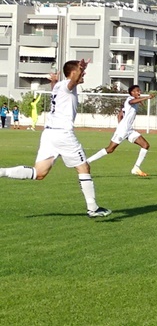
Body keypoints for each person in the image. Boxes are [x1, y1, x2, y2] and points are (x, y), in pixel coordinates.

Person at [0, 60, 111, 218]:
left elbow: (61, 88)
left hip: (49, 134)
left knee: (39, 173)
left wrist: (53, 81)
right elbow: (72, 81)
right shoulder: (67, 85)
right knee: (83, 168)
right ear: (73, 73)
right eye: (81, 72)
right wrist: (81, 68)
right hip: (63, 134)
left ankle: (2, 171)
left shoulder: (58, 86)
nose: (83, 74)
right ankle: (93, 208)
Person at [86, 85, 156, 176]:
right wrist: (147, 98)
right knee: (110, 149)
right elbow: (132, 101)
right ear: (132, 93)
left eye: (139, 90)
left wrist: (122, 124)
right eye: (137, 91)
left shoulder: (133, 102)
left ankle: (136, 168)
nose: (139, 92)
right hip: (123, 130)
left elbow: (119, 115)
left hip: (129, 130)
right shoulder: (129, 99)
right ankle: (87, 161)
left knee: (145, 145)